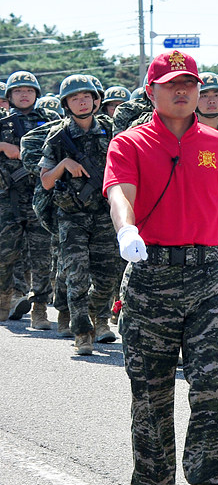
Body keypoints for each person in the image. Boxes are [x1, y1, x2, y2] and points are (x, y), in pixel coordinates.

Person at [103, 50, 218, 485]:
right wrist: (127, 231)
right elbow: (119, 193)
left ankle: (209, 478)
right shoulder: (129, 142)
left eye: (189, 84)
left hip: (207, 278)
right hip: (151, 279)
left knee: (215, 386)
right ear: (151, 92)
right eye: (170, 84)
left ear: (201, 91)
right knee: (150, 395)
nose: (181, 91)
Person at [40, 75, 122, 354]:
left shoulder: (112, 131)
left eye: (86, 96)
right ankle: (82, 331)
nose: (82, 101)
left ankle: (99, 317)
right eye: (75, 97)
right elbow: (46, 181)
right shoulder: (58, 137)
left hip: (105, 214)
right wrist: (64, 164)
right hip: (72, 216)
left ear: (96, 100)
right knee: (76, 275)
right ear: (66, 103)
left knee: (107, 276)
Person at [0, 71, 56, 324]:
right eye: (18, 91)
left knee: (42, 257)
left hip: (40, 197)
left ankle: (40, 309)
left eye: (29, 91)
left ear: (37, 94)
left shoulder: (51, 121)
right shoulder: (2, 123)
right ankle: (5, 300)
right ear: (9, 96)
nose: (24, 95)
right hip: (7, 199)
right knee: (5, 255)